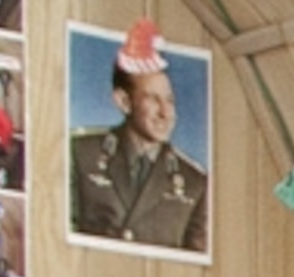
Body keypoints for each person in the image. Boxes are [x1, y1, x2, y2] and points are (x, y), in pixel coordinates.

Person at [68, 46, 207, 252]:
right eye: (153, 99)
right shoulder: (81, 153)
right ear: (124, 102)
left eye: (170, 101)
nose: (165, 113)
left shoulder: (195, 183)